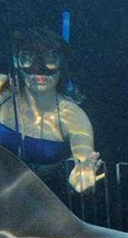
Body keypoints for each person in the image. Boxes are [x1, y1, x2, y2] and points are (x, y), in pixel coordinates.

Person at [0, 27, 103, 193]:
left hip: (36, 205)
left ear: (62, 65)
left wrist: (83, 176)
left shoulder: (72, 117)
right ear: (16, 61)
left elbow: (83, 155)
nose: (38, 69)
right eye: (28, 58)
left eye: (49, 59)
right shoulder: (3, 89)